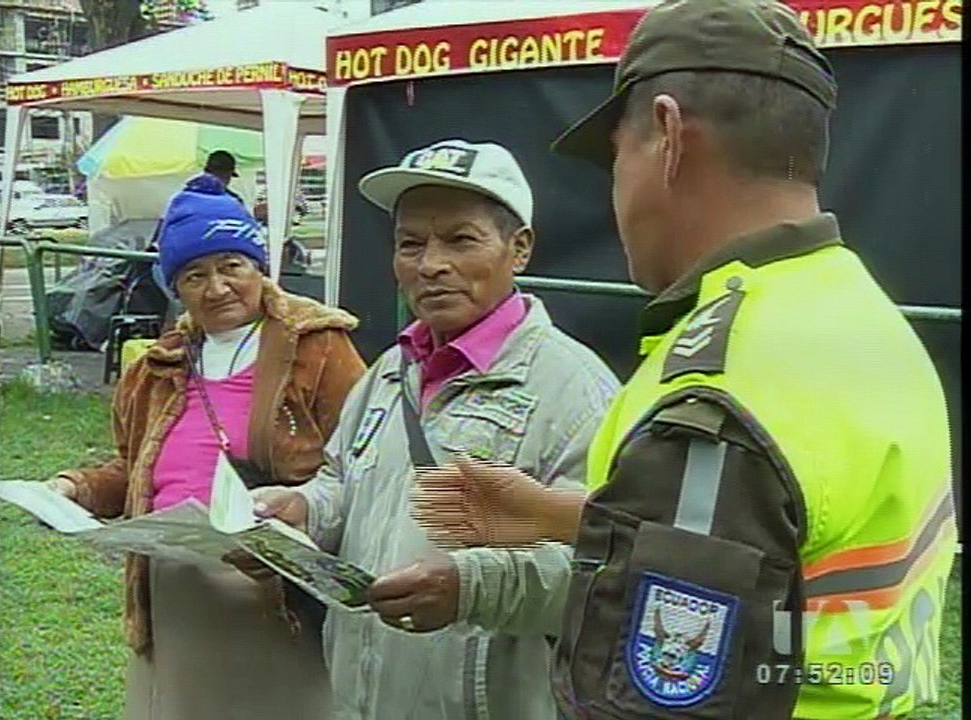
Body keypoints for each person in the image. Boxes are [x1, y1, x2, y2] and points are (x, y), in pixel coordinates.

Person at [410, 3, 957, 720]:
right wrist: (563, 516)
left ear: (666, 136)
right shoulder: (863, 315)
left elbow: (669, 681)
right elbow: (782, 552)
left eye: (614, 159)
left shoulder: (717, 389)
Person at [251, 138, 619, 719]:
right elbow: (343, 482)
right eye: (410, 244)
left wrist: (470, 587)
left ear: (518, 248)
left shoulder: (575, 391)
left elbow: (606, 574)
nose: (430, 264)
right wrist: (300, 511)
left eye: (460, 239)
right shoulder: (390, 372)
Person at [45, 177, 367, 720]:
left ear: (258, 266)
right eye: (195, 274)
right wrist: (73, 490)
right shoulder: (156, 366)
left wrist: (300, 513)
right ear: (176, 286)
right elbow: (133, 469)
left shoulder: (318, 347)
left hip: (273, 588)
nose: (216, 287)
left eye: (230, 266)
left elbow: (363, 460)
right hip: (178, 587)